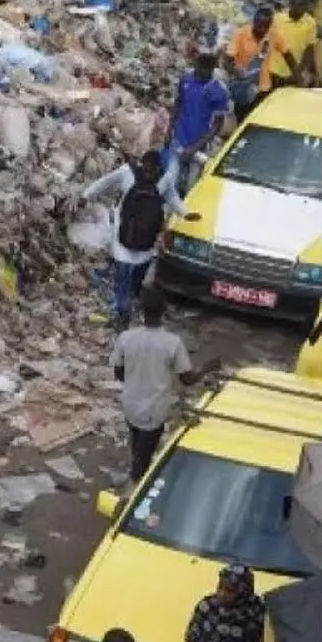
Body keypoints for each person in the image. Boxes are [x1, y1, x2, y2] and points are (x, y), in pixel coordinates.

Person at [111, 288, 220, 482]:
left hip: (130, 405)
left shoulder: (126, 337)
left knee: (137, 442)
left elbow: (119, 374)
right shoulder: (172, 343)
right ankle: (136, 485)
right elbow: (187, 379)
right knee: (145, 453)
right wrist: (207, 368)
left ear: (142, 311)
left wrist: (138, 375)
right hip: (154, 410)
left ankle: (137, 470)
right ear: (164, 312)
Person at [81, 150, 182, 329]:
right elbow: (174, 201)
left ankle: (124, 310)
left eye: (151, 170)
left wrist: (86, 196)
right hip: (142, 243)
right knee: (127, 280)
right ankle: (124, 311)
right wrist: (186, 214)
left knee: (127, 280)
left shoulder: (129, 172)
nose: (149, 173)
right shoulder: (162, 177)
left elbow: (104, 184)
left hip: (128, 239)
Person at [185, 564, 268, 642]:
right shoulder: (208, 606)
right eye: (220, 587)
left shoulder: (258, 613)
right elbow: (192, 636)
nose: (222, 594)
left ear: (243, 591)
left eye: (230, 591)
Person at [164, 53, 228, 196]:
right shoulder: (186, 79)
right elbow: (178, 104)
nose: (198, 73)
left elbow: (217, 126)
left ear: (211, 70)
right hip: (179, 139)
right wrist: (169, 131)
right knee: (171, 183)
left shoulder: (218, 92)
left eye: (203, 71)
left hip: (200, 147)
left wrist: (194, 148)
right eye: (197, 69)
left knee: (191, 189)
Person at [225, 7, 294, 122]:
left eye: (266, 26)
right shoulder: (241, 34)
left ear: (270, 25)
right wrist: (236, 72)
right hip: (244, 87)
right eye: (259, 25)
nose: (262, 29)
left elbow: (288, 55)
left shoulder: (274, 35)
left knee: (259, 120)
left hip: (263, 87)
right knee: (242, 119)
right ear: (254, 22)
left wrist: (296, 75)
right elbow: (227, 60)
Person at [271, 0, 319, 88]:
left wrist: (301, 71)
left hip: (295, 73)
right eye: (296, 5)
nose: (300, 9)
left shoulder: (310, 22)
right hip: (275, 71)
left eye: (302, 6)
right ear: (290, 5)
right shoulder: (277, 19)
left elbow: (309, 49)